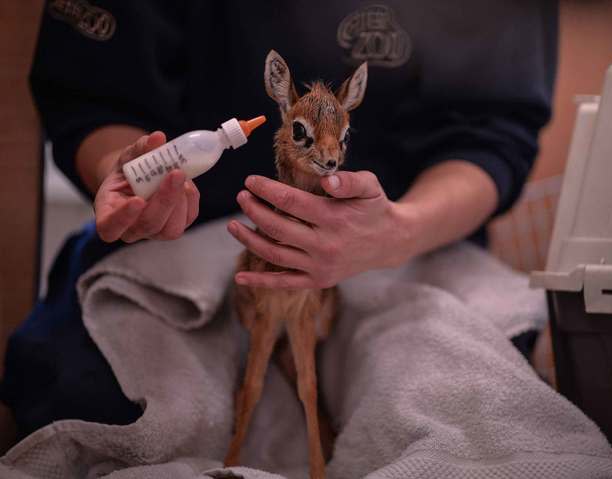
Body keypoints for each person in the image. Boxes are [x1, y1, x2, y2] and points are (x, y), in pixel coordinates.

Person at [1, 0, 557, 442]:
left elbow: (493, 132)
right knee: (81, 393)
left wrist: (400, 231)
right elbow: (96, 92)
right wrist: (129, 175)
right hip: (179, 242)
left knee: (468, 406)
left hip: (413, 245)